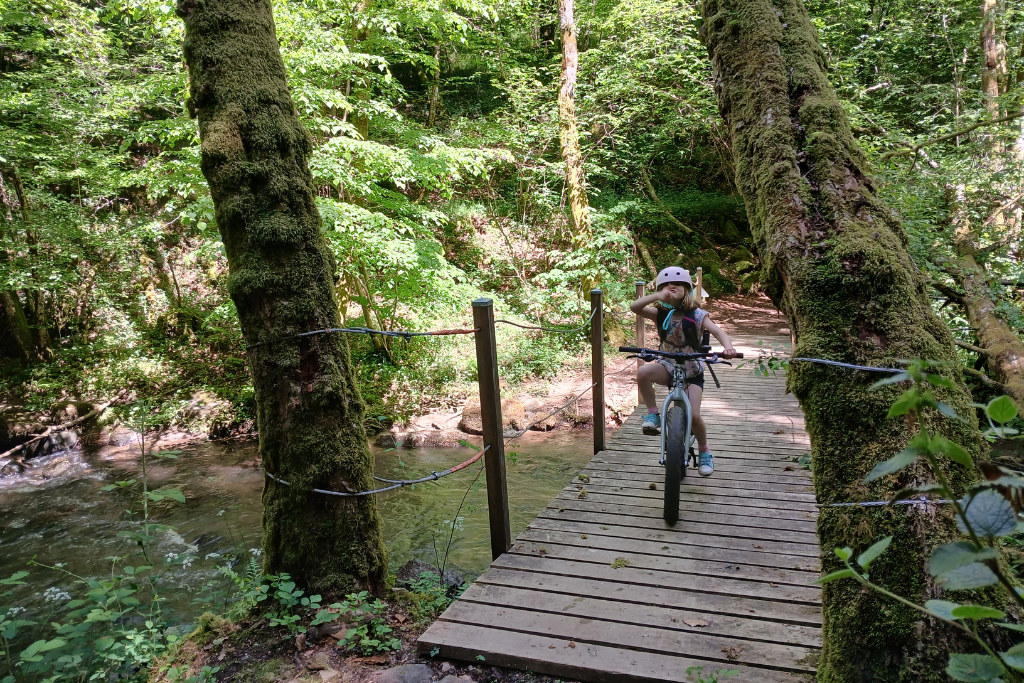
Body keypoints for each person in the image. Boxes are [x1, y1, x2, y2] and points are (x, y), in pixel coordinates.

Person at [629, 266, 737, 477]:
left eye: (677, 284)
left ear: (686, 288)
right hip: (667, 366)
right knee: (643, 373)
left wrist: (728, 347)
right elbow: (635, 307)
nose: (672, 287)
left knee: (694, 415)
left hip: (691, 371)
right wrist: (657, 296)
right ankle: (653, 415)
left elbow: (718, 331)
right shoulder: (660, 314)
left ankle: (705, 451)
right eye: (666, 285)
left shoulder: (697, 315)